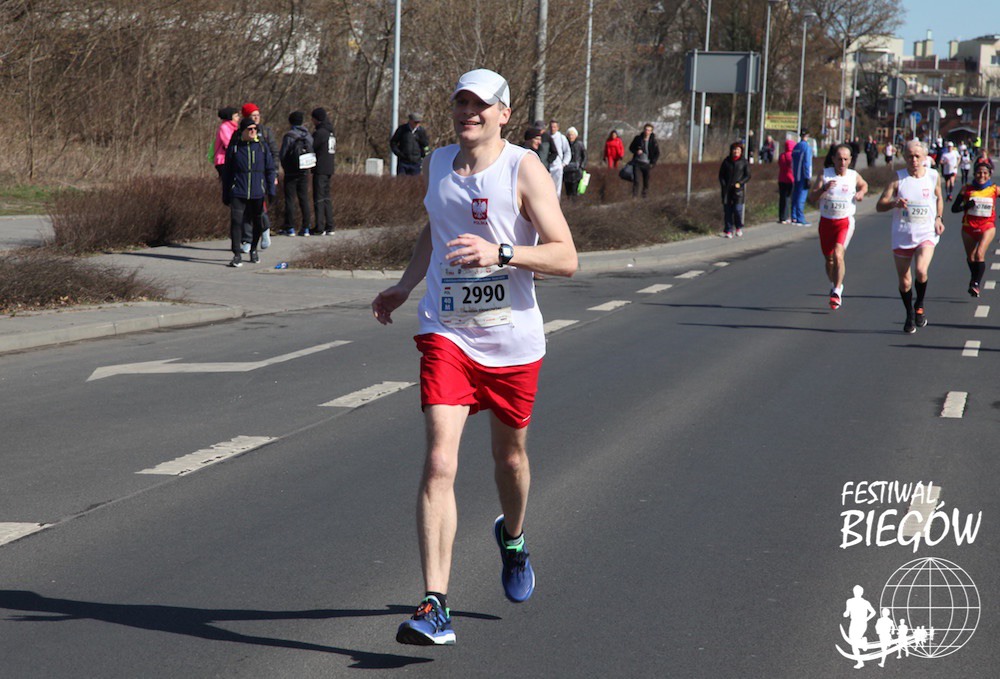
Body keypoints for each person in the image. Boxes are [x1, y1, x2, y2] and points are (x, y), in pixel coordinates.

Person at [371, 68, 578, 646]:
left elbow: (566, 257)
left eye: (481, 104)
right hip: (448, 333)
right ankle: (435, 604)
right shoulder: (438, 163)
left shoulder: (523, 168)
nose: (469, 112)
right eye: (461, 102)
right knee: (440, 460)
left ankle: (513, 538)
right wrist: (406, 285)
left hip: (512, 341)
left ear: (503, 114)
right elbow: (435, 231)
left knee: (509, 460)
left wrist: (502, 252)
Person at [876, 140, 945, 333]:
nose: (913, 160)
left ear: (924, 157)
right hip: (903, 234)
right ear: (904, 157)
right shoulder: (898, 178)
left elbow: (939, 198)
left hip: (926, 232)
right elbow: (879, 205)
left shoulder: (933, 176)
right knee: (905, 281)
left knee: (921, 271)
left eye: (917, 156)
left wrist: (939, 218)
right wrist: (894, 203)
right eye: (909, 156)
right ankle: (909, 314)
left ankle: (919, 305)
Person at [807, 144, 869, 309]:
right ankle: (835, 284)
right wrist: (824, 188)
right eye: (839, 159)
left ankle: (836, 291)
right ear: (833, 159)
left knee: (838, 254)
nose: (842, 162)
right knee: (829, 259)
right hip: (826, 221)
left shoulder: (853, 175)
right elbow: (812, 198)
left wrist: (861, 193)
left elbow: (864, 185)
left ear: (850, 160)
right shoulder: (825, 174)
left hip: (844, 221)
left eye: (845, 159)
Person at [221, 117, 276, 267]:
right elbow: (227, 172)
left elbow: (270, 169)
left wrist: (271, 190)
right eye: (249, 129)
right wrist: (225, 193)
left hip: (257, 191)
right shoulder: (235, 148)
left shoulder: (262, 147)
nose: (253, 131)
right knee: (236, 221)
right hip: (238, 190)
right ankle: (237, 254)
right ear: (243, 131)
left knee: (257, 222)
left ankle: (253, 249)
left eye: (255, 129)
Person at [952, 159, 998, 297]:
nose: (981, 175)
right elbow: (954, 209)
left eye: (985, 173)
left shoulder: (994, 189)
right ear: (974, 174)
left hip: (987, 226)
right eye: (979, 172)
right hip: (969, 227)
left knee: (979, 254)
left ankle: (976, 284)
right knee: (971, 257)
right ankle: (974, 279)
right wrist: (966, 206)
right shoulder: (966, 189)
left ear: (989, 175)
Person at [242, 103, 279, 250]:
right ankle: (247, 240)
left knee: (259, 208)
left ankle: (264, 230)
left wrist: (274, 173)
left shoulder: (266, 132)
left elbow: (274, 153)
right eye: (253, 116)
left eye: (258, 115)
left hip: (261, 175)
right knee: (245, 209)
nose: (256, 118)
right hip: (245, 176)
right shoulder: (241, 133)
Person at [278, 110, 313, 237]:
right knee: (304, 199)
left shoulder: (289, 136)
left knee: (290, 200)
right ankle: (306, 227)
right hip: (304, 171)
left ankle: (290, 227)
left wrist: (285, 167)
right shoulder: (308, 136)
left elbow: (283, 154)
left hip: (291, 172)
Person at [311, 107, 336, 236]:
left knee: (319, 198)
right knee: (326, 197)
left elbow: (312, 147)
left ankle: (319, 227)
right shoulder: (330, 132)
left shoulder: (320, 133)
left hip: (320, 168)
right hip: (329, 167)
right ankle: (330, 225)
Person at [718, 142, 750, 238]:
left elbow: (748, 175)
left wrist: (740, 183)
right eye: (734, 149)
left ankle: (738, 227)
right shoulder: (726, 161)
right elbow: (721, 175)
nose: (736, 151)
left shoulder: (744, 162)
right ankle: (728, 230)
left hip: (738, 191)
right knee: (728, 211)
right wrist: (724, 185)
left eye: (738, 150)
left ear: (741, 151)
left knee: (737, 210)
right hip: (727, 191)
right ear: (731, 151)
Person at [843, 585, 877, 669]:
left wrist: (866, 619)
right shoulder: (849, 601)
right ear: (853, 592)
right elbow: (847, 612)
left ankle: (863, 641)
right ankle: (860, 662)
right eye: (855, 591)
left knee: (854, 641)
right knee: (853, 644)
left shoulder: (865, 602)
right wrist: (845, 614)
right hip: (853, 622)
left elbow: (873, 612)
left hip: (861, 623)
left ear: (861, 592)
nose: (856, 593)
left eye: (858, 591)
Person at [391, 111, 431, 176]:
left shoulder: (421, 131)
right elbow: (393, 142)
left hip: (416, 163)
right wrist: (399, 153)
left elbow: (425, 145)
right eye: (415, 122)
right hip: (403, 162)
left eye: (419, 122)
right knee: (402, 181)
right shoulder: (402, 129)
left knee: (414, 181)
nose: (417, 124)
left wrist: (423, 157)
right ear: (410, 121)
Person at [628, 124, 659, 198]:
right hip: (637, 162)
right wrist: (636, 151)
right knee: (636, 180)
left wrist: (653, 162)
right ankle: (634, 197)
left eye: (649, 130)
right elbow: (631, 148)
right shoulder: (638, 138)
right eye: (646, 130)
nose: (647, 132)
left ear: (651, 132)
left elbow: (657, 153)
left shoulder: (653, 141)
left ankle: (644, 196)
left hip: (647, 163)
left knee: (646, 181)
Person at [791, 129, 814, 225]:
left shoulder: (796, 146)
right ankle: (800, 218)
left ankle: (794, 216)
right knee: (801, 197)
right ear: (807, 136)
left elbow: (792, 162)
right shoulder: (806, 147)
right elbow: (807, 163)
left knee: (795, 195)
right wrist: (808, 177)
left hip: (796, 175)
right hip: (803, 176)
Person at [213, 107, 239, 179]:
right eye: (236, 116)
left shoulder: (234, 127)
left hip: (231, 159)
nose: (238, 118)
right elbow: (228, 143)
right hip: (223, 160)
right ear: (230, 117)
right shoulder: (224, 127)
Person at [548, 119, 571, 197]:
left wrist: (563, 164)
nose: (552, 129)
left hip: (557, 167)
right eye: (551, 127)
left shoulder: (561, 138)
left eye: (554, 127)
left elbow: (567, 152)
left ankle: (557, 202)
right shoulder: (546, 136)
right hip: (547, 166)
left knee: (557, 189)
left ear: (557, 128)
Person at [563, 126, 587, 199]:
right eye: (569, 135)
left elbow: (585, 156)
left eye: (572, 135)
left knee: (575, 191)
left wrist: (582, 166)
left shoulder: (580, 144)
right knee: (568, 191)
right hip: (567, 171)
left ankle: (575, 203)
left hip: (577, 171)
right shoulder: (565, 144)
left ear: (576, 135)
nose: (571, 136)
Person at [777, 139, 795, 224]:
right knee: (788, 198)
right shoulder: (792, 156)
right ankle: (787, 216)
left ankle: (781, 217)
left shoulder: (782, 155)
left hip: (781, 178)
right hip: (790, 179)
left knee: (782, 198)